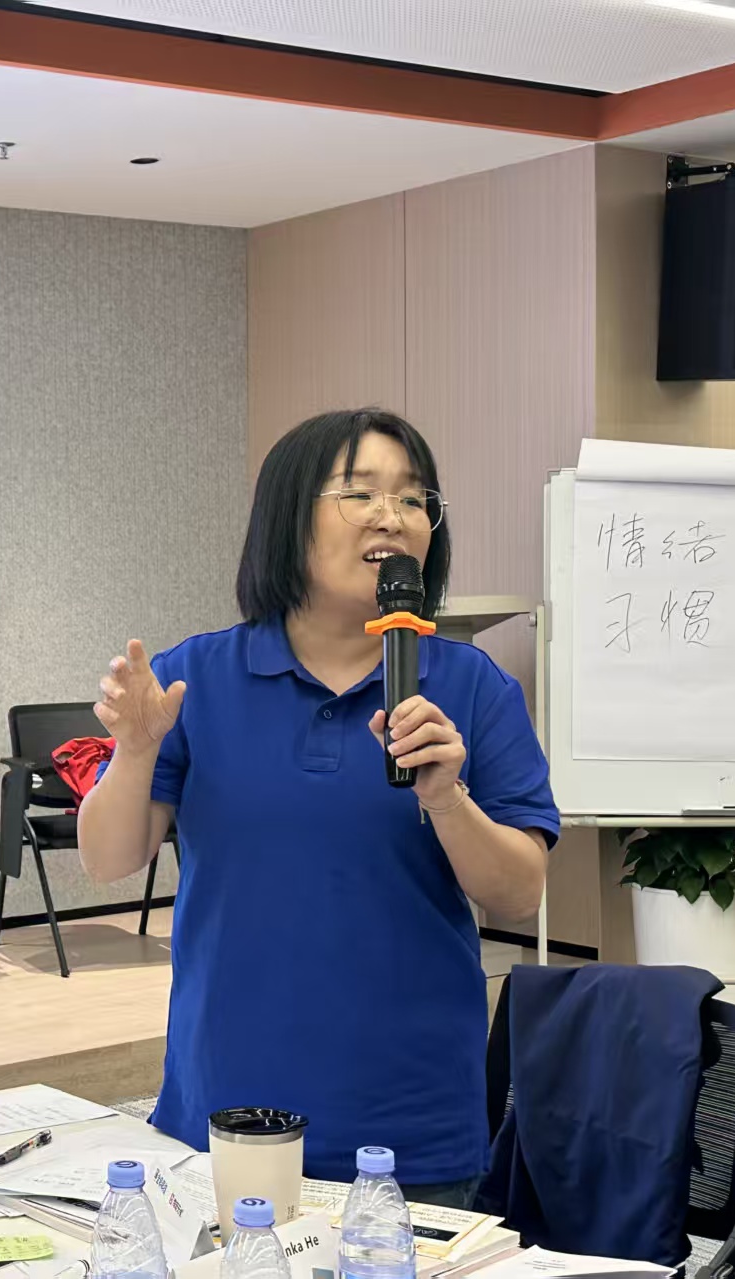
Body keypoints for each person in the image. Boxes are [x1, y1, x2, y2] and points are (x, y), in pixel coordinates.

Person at [79, 408, 556, 1209]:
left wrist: (447, 798)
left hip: (410, 1122)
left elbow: (519, 891)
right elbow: (107, 859)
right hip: (225, 1105)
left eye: (414, 498)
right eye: (360, 492)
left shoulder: (471, 686)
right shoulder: (198, 675)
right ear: (287, 518)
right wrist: (133, 753)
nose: (392, 516)